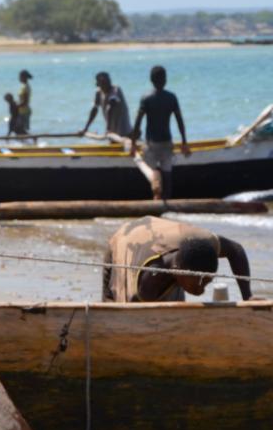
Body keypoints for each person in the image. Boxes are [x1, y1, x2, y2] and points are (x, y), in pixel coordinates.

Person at [103, 215, 253, 302]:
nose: (202, 291)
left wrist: (248, 298)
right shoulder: (146, 286)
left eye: (207, 282)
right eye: (199, 284)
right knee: (111, 308)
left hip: (154, 230)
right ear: (177, 270)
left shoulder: (205, 242)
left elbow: (236, 250)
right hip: (123, 239)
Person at [130, 65, 190, 200]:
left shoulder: (146, 98)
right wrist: (184, 142)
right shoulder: (171, 97)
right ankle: (166, 202)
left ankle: (156, 195)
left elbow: (137, 123)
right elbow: (180, 121)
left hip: (151, 144)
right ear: (165, 80)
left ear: (151, 80)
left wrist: (133, 144)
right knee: (167, 175)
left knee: (153, 174)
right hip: (167, 142)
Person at [80, 71, 131, 138]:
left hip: (124, 131)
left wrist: (108, 129)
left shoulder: (115, 90)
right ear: (97, 84)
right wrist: (86, 128)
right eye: (103, 82)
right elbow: (94, 110)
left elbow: (110, 108)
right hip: (112, 131)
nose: (106, 84)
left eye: (107, 81)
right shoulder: (98, 93)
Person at [6, 69, 33, 135]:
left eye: (20, 76)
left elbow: (25, 102)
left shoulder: (25, 87)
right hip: (21, 111)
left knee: (19, 129)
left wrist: (16, 106)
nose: (19, 78)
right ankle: (27, 142)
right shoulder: (23, 87)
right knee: (17, 129)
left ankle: (32, 140)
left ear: (23, 77)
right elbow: (22, 100)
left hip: (24, 111)